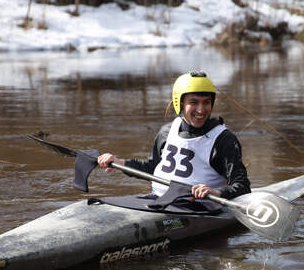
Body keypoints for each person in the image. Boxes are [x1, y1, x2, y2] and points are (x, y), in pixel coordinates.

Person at [97, 71, 250, 201]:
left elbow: (242, 186)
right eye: (194, 102)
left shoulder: (223, 139)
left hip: (199, 207)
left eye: (206, 102)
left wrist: (216, 192)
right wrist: (118, 162)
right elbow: (153, 168)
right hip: (159, 200)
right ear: (181, 103)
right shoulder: (167, 131)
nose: (201, 109)